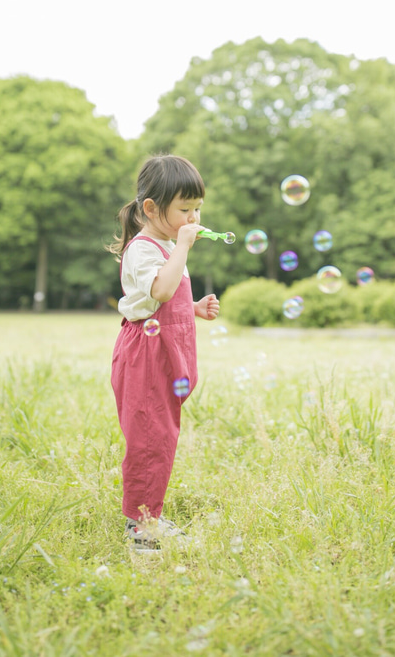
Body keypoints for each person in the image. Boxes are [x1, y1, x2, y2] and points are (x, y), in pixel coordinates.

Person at [108, 155, 220, 553]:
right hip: (146, 357)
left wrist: (195, 309)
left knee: (163, 436)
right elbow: (159, 291)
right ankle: (140, 527)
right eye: (184, 209)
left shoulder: (168, 244)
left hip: (165, 352)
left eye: (197, 209)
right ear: (152, 208)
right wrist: (184, 247)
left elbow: (161, 303)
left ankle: (149, 514)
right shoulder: (144, 249)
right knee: (149, 439)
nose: (193, 217)